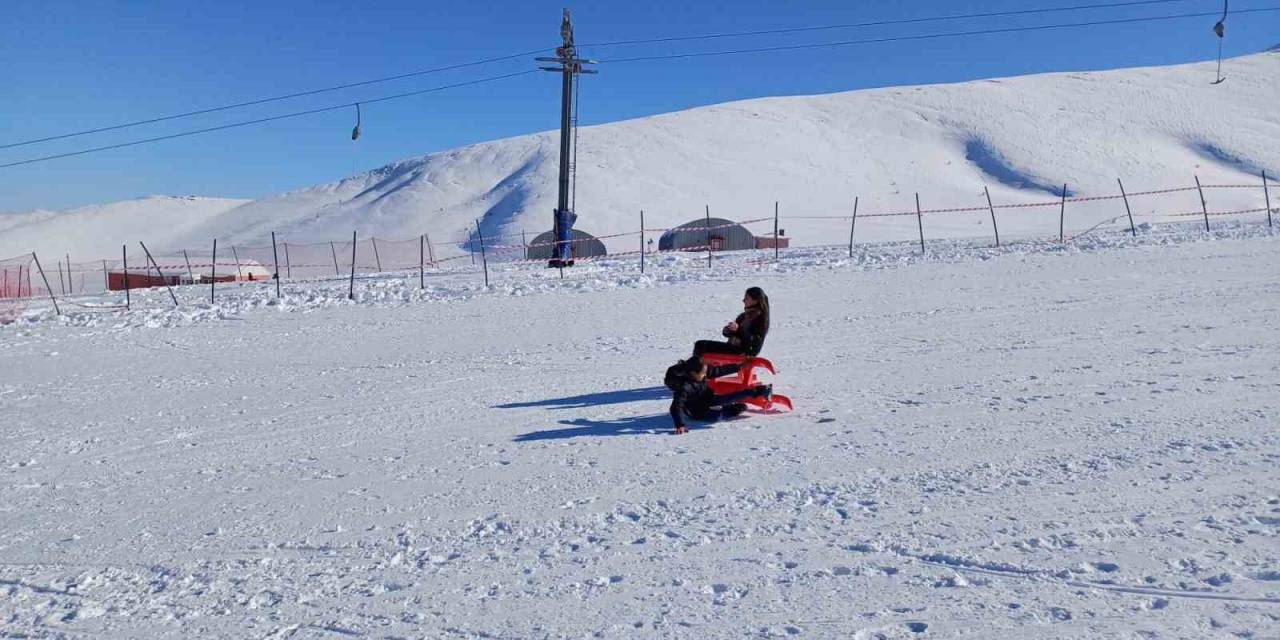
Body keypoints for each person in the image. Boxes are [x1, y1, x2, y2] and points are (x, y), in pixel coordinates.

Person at [665, 355, 771, 435]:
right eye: (703, 373)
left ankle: (756, 391)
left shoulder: (701, 372)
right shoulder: (684, 387)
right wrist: (680, 425)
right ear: (693, 373)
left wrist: (739, 367)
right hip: (695, 410)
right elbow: (675, 406)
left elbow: (719, 370)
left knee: (726, 398)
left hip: (705, 396)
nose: (706, 375)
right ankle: (732, 410)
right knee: (715, 417)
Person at [693, 286, 770, 358]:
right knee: (700, 345)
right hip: (734, 348)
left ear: (755, 301)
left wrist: (738, 329)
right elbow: (733, 334)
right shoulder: (743, 316)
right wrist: (728, 330)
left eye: (746, 298)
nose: (743, 300)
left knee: (701, 346)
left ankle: (697, 369)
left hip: (743, 352)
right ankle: (696, 368)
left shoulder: (760, 319)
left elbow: (753, 342)